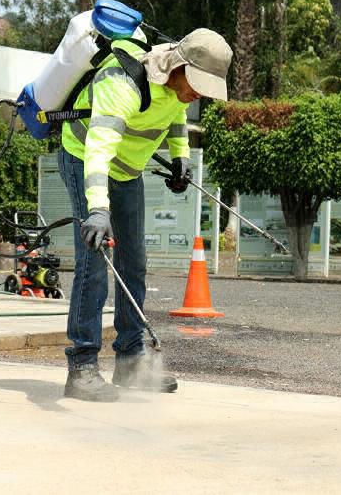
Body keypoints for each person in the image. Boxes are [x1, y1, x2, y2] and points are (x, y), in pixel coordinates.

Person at [58, 28, 233, 401]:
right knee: (95, 257)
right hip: (84, 159)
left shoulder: (177, 85)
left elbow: (176, 115)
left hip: (128, 170)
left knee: (134, 262)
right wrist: (98, 210)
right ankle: (83, 366)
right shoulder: (122, 83)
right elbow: (99, 150)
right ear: (179, 64)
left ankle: (130, 361)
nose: (197, 93)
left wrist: (180, 156)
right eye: (197, 83)